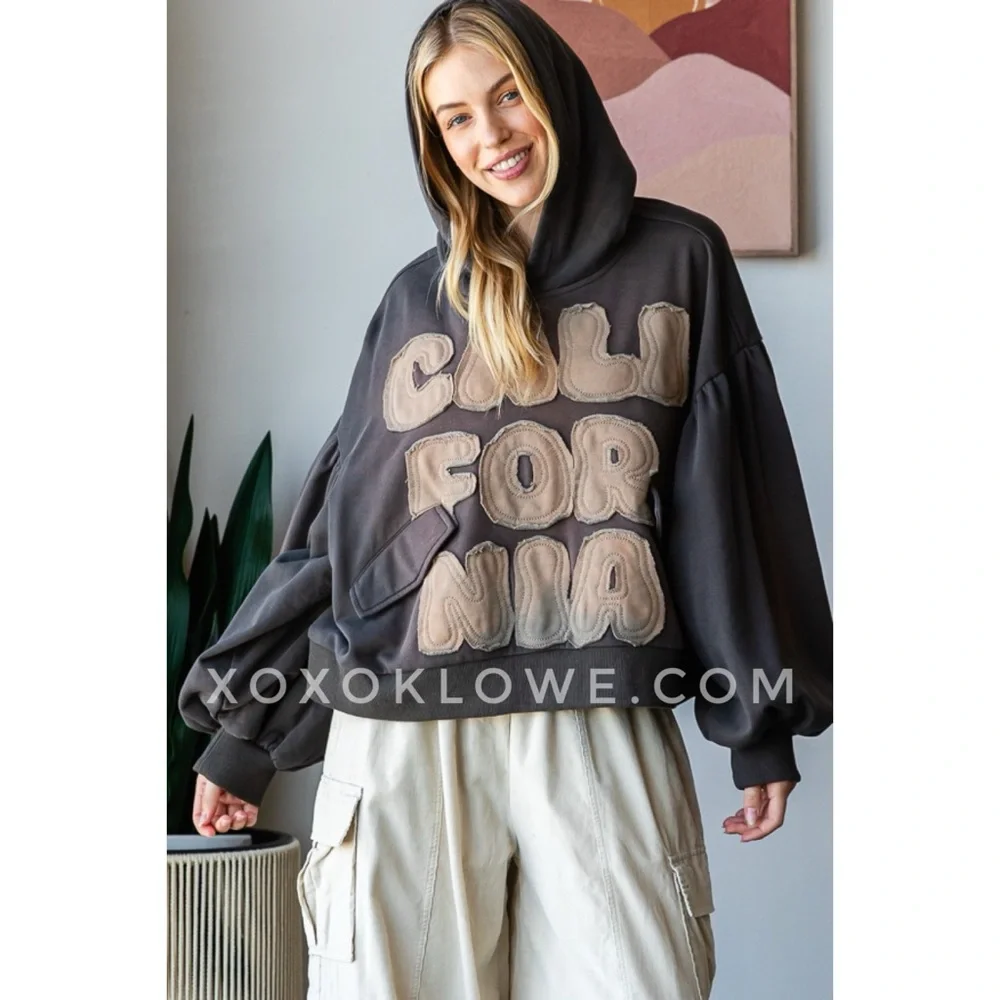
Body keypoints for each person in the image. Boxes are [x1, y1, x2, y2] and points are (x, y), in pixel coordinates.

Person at [178, 1, 833, 997]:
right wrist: (245, 737)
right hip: (402, 734)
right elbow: (345, 538)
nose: (491, 135)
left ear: (556, 90)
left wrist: (760, 722)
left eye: (508, 96)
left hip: (596, 716)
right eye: (455, 118)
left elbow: (730, 505)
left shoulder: (679, 260)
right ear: (435, 143)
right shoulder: (415, 299)